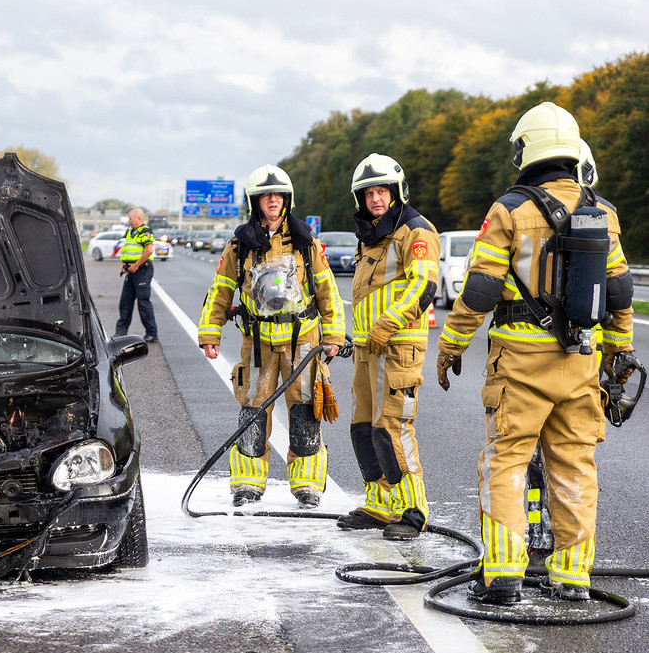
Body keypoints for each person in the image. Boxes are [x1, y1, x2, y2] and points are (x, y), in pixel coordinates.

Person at [436, 102, 636, 604]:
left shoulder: (509, 210)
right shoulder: (603, 213)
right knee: (574, 466)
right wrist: (620, 352)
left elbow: (479, 289)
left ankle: (503, 573)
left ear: (526, 149)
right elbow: (620, 295)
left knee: (505, 461)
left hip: (521, 365)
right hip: (581, 363)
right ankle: (572, 577)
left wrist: (451, 344)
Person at [197, 165, 345, 507]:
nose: (273, 200)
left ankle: (307, 486)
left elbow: (327, 291)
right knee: (253, 413)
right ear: (256, 202)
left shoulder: (307, 244)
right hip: (258, 345)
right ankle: (247, 485)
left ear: (287, 200)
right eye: (267, 196)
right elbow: (220, 291)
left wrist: (334, 332)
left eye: (278, 195)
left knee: (305, 412)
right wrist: (210, 331)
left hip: (303, 343)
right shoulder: (240, 246)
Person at [336, 154, 440, 541]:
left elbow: (422, 284)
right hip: (367, 347)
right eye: (369, 193)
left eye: (382, 191)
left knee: (392, 428)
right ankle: (381, 503)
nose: (376, 199)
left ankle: (413, 511)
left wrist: (388, 324)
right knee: (363, 429)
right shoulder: (373, 233)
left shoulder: (414, 230)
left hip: (397, 346)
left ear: (396, 192)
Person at [115, 208, 159, 343]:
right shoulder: (130, 232)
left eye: (130, 218)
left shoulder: (145, 231)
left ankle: (152, 333)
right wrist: (123, 263)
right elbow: (126, 249)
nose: (128, 221)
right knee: (125, 302)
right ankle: (121, 331)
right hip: (131, 271)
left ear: (139, 219)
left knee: (143, 302)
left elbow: (148, 250)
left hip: (142, 271)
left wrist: (136, 265)